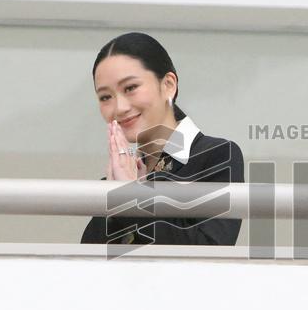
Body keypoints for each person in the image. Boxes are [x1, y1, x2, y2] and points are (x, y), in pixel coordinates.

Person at [80, 32, 243, 245]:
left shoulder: (215, 156)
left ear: (168, 85)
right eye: (105, 97)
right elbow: (88, 267)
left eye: (130, 88)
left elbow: (209, 250)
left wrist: (131, 197)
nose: (119, 108)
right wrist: (118, 194)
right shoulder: (117, 178)